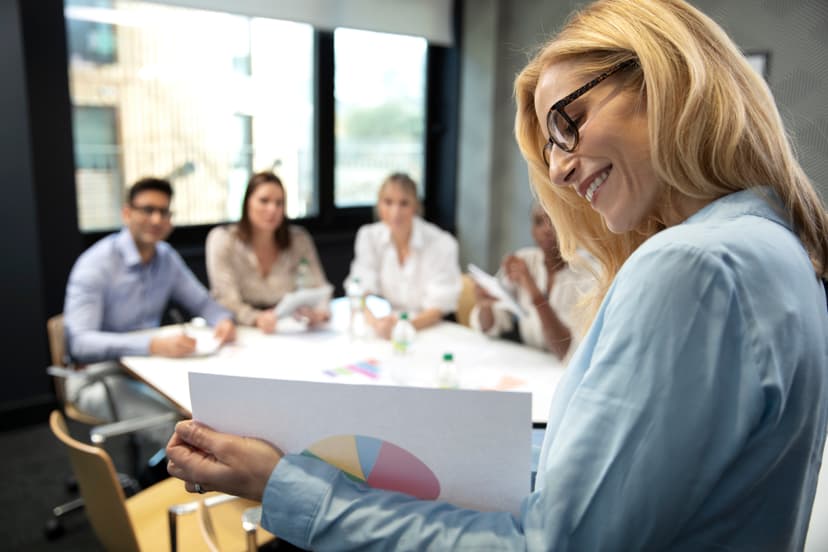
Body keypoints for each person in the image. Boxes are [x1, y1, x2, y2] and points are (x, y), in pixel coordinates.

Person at [166, 1, 828, 549]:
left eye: (567, 123)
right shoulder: (773, 246)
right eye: (548, 149)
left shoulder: (692, 269)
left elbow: (553, 544)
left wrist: (291, 487)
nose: (562, 168)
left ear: (664, 75)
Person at [64, 177, 236, 450]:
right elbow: (81, 344)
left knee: (213, 410)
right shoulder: (95, 264)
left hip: (149, 368)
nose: (156, 219)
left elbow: (204, 304)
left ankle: (159, 474)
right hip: (98, 378)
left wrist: (224, 320)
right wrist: (152, 344)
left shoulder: (165, 258)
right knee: (181, 431)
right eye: (147, 210)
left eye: (164, 211)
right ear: (127, 213)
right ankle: (155, 482)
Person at [205, 171, 330, 333]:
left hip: (288, 326)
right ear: (247, 202)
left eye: (279, 203)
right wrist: (256, 318)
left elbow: (320, 288)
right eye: (264, 201)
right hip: (240, 328)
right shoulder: (223, 239)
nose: (272, 209)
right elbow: (225, 300)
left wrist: (320, 312)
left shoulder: (298, 239)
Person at [344, 172, 462, 339]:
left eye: (404, 203)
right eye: (388, 202)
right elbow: (359, 290)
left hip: (431, 329)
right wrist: (376, 323)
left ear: (416, 206)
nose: (395, 212)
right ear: (378, 205)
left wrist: (403, 328)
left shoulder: (441, 243)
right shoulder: (369, 237)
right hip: (388, 327)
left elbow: (438, 307)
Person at [470, 201, 590, 362]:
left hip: (564, 371)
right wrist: (485, 305)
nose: (546, 230)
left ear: (572, 226)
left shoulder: (589, 274)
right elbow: (491, 327)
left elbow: (567, 352)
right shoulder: (525, 260)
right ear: (532, 230)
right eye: (539, 222)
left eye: (554, 221)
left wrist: (535, 293)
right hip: (530, 363)